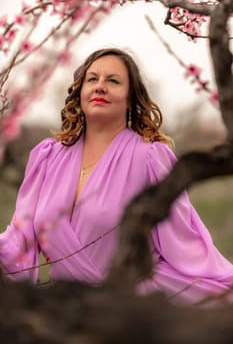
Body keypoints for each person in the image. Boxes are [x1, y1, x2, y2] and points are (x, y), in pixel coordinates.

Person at [1, 47, 233, 307]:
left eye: (113, 81)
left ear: (131, 98)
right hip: (66, 308)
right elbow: (19, 239)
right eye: (93, 79)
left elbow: (185, 246)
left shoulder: (151, 159)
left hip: (132, 306)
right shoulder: (46, 158)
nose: (100, 86)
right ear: (79, 92)